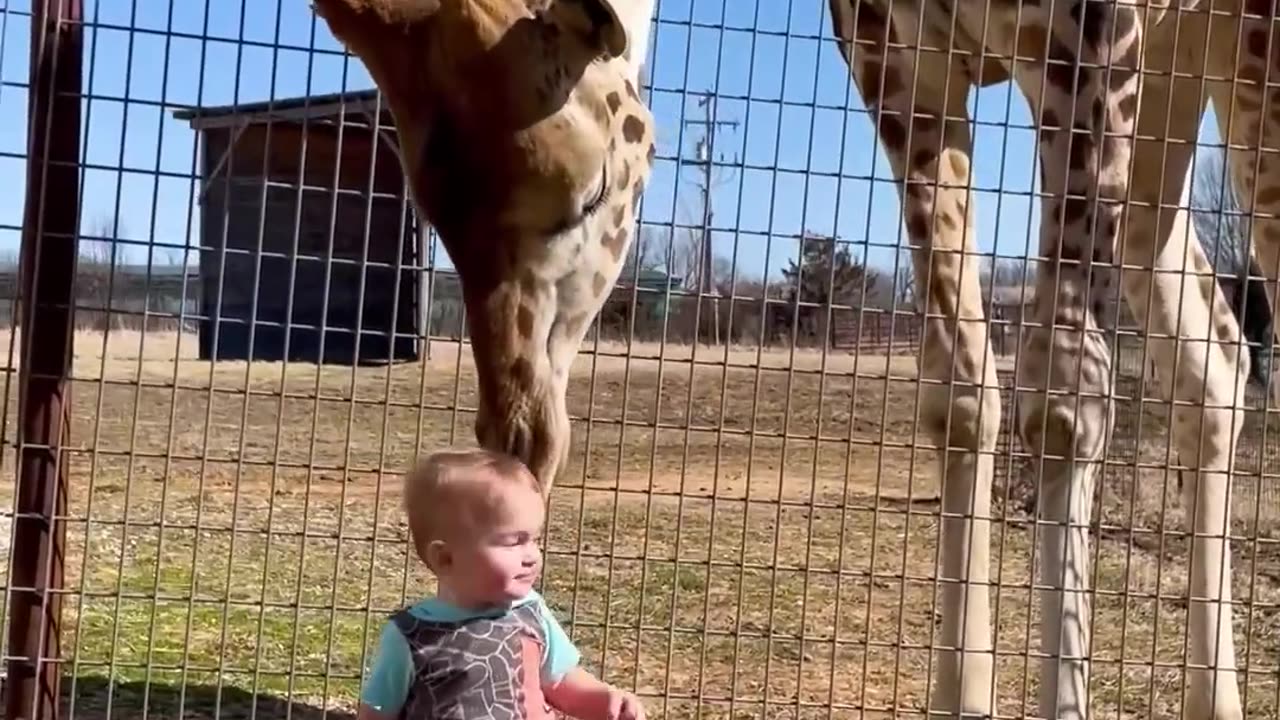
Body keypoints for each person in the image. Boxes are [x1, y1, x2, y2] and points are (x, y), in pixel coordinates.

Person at [357, 446, 646, 720]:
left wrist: (606, 700)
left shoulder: (531, 612)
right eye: (514, 542)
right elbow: (377, 713)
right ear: (446, 559)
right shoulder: (413, 636)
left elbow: (561, 682)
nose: (532, 555)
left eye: (535, 540)